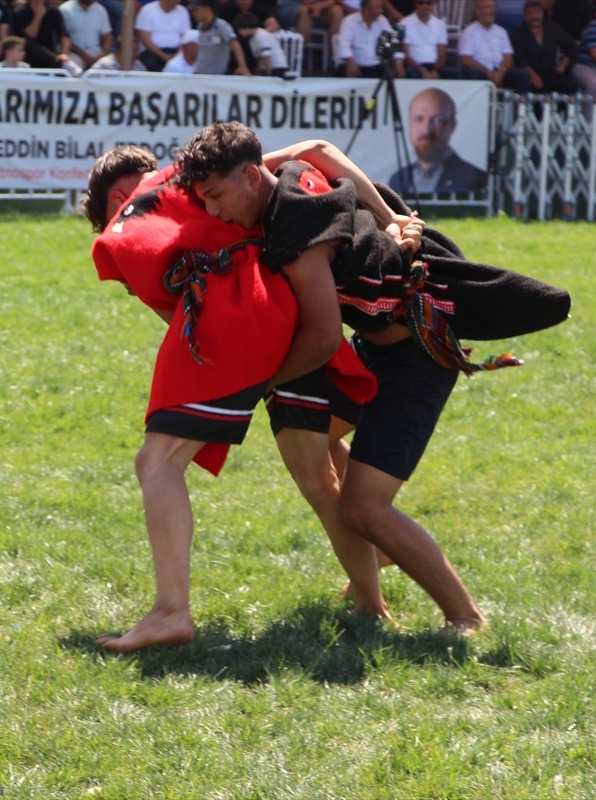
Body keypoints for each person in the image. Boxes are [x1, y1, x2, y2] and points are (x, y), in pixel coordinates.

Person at [175, 122, 571, 644]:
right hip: (375, 353)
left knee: (364, 508)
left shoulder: (294, 228)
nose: (214, 211)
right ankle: (381, 550)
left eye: (217, 195)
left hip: (417, 362)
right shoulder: (284, 174)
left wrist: (253, 385)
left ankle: (465, 617)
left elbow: (319, 340)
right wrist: (393, 220)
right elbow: (317, 147)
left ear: (250, 177)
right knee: (321, 440)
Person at [83, 140, 429, 650]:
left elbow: (183, 322)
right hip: (292, 315)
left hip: (261, 316)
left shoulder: (165, 198)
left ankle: (170, 611)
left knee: (157, 460)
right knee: (318, 472)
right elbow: (317, 149)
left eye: (119, 210)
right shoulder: (204, 190)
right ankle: (369, 597)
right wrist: (392, 219)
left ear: (120, 195)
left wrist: (393, 219)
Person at [389, 87, 487, 195]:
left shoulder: (473, 178)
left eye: (438, 120)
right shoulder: (397, 179)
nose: (426, 129)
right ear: (409, 123)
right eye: (419, 118)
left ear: (452, 126)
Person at [457, 0, 530, 92]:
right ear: (477, 11)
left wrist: (501, 72)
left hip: (501, 71)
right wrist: (487, 72)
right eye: (487, 7)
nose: (492, 10)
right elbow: (466, 59)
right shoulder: (468, 32)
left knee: (521, 75)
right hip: (481, 72)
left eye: (493, 7)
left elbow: (509, 57)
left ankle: (520, 105)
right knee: (473, 73)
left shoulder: (501, 31)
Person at [510, 0, 577, 94]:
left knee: (570, 86)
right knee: (535, 89)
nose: (534, 16)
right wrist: (533, 76)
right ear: (524, 16)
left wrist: (562, 65)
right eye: (530, 13)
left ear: (542, 13)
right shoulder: (518, 33)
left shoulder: (552, 27)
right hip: (530, 74)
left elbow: (571, 45)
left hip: (552, 72)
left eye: (537, 12)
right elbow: (520, 60)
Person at [11, 0, 83, 73]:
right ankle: (60, 64)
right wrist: (38, 16)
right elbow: (29, 36)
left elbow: (64, 34)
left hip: (49, 53)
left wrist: (64, 54)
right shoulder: (20, 12)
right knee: (26, 42)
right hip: (28, 54)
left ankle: (63, 63)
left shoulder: (53, 11)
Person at [334, 0, 400, 78]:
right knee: (347, 70)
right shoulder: (349, 21)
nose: (382, 11)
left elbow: (393, 41)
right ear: (367, 9)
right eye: (378, 8)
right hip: (355, 66)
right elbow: (344, 45)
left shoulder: (382, 20)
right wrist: (350, 62)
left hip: (376, 67)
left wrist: (398, 61)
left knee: (394, 70)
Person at [189, 0, 250, 75]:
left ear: (207, 9)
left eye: (196, 10)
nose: (193, 14)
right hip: (199, 72)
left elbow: (235, 45)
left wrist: (242, 66)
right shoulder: (200, 26)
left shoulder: (221, 26)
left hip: (216, 74)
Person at [134, 0, 191, 71]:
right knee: (152, 64)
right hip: (152, 52)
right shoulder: (147, 10)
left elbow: (185, 37)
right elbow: (145, 40)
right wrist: (164, 56)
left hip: (176, 52)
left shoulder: (183, 11)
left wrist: (177, 56)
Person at [399, 0, 449, 80]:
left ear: (434, 4)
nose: (424, 6)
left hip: (434, 66)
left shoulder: (440, 24)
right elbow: (406, 55)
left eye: (428, 3)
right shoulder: (404, 23)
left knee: (456, 74)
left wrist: (435, 70)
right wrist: (422, 70)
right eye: (420, 3)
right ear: (415, 3)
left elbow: (442, 54)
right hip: (414, 67)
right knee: (411, 73)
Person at [59, 0, 113, 70]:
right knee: (72, 69)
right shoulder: (65, 9)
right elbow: (64, 37)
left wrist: (103, 53)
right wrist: (82, 55)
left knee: (109, 68)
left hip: (96, 55)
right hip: (74, 54)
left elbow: (108, 37)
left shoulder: (101, 10)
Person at [234, 10, 287, 76]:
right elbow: (259, 58)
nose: (239, 33)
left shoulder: (261, 35)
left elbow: (266, 56)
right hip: (266, 67)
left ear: (246, 27)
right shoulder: (252, 39)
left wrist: (269, 73)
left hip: (276, 66)